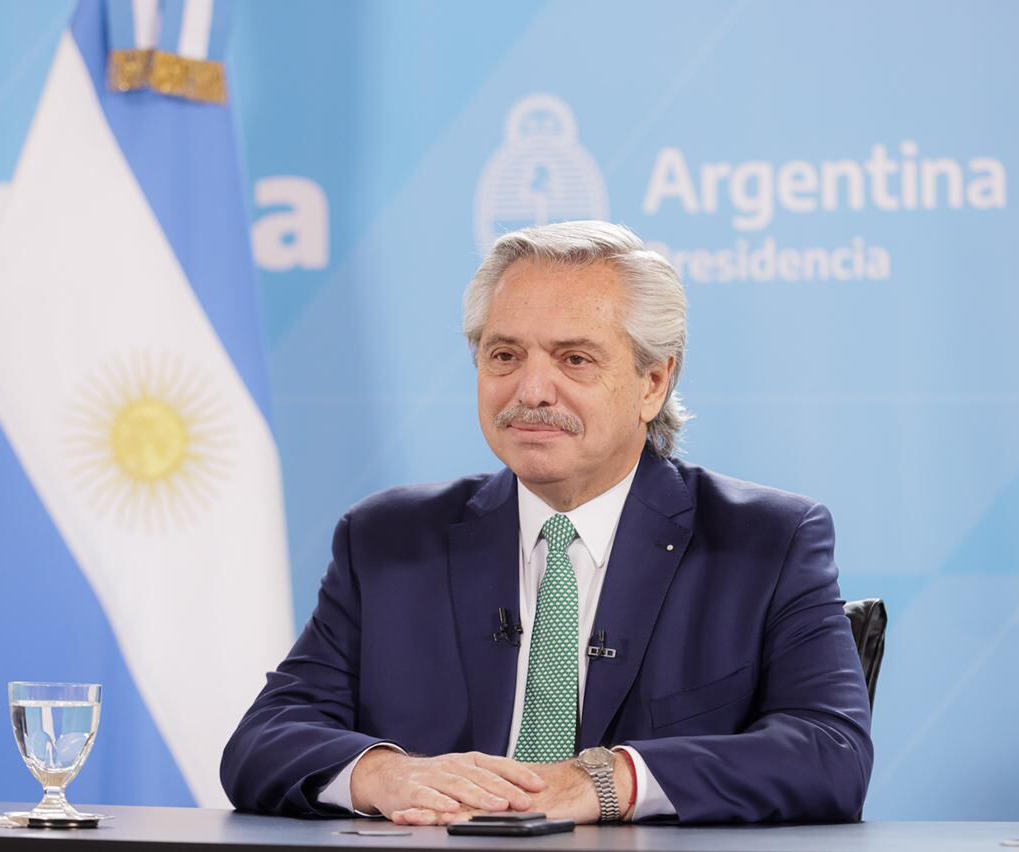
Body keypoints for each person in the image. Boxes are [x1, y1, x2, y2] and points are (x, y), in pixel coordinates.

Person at [220, 221, 873, 825]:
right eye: (505, 356)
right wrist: (384, 775)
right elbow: (264, 741)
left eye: (574, 359)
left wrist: (610, 780)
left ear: (653, 381)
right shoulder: (388, 541)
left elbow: (830, 752)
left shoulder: (766, 543)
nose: (531, 390)